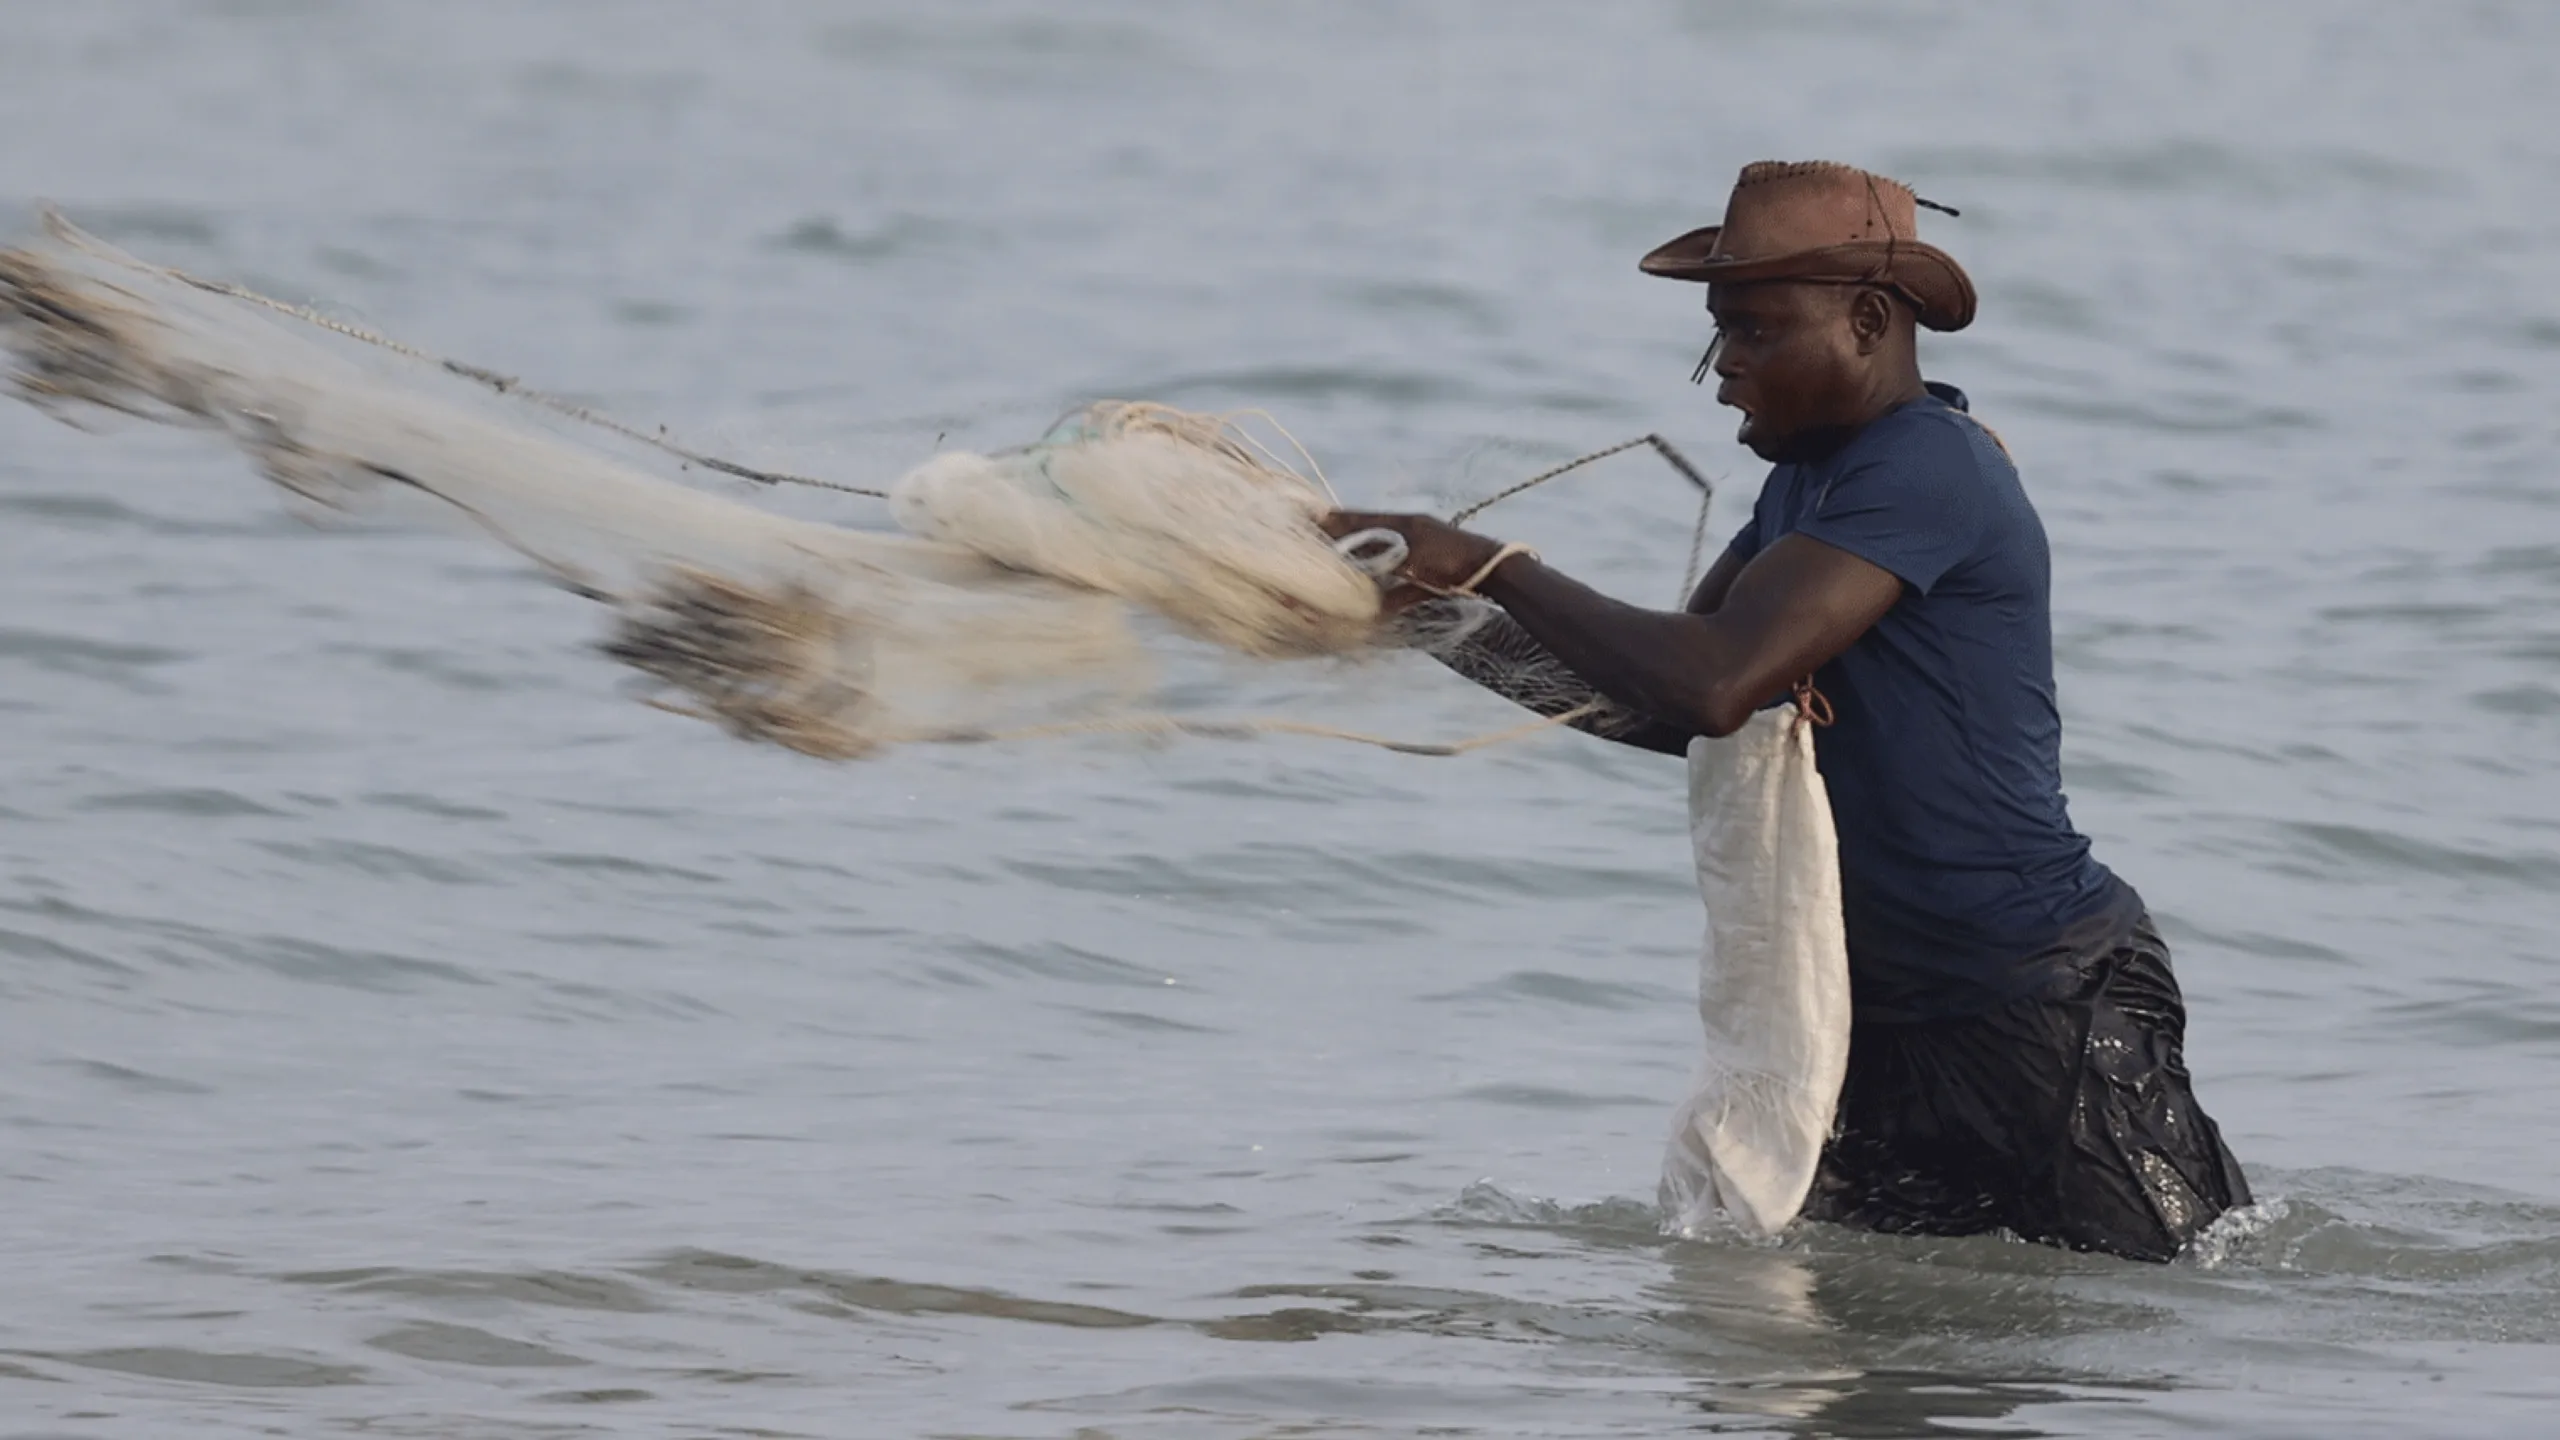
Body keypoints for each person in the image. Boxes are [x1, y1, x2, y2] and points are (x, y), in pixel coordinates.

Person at [1326, 160, 2250, 1262]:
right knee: (1857, 1363)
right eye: (1719, 335)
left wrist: (1487, 562)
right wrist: (1428, 620)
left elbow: (1710, 678)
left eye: (1754, 331)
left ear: (1865, 322)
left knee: (2167, 1315)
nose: (1722, 371)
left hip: (2040, 1002)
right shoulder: (1805, 486)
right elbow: (1669, 711)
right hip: (1871, 1020)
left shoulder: (1925, 468)